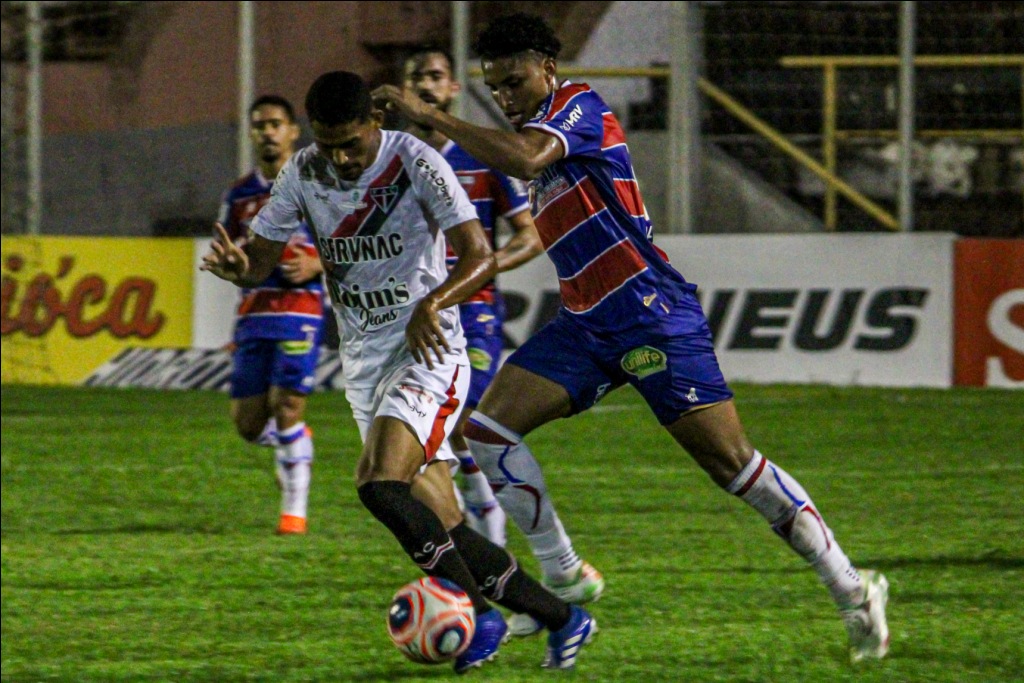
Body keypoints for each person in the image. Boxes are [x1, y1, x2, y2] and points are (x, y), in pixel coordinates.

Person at [373, 12, 891, 664]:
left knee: (731, 465)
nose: (507, 97)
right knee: (488, 431)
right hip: (586, 323)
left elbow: (528, 156)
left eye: (515, 81)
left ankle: (851, 587)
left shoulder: (577, 107)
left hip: (651, 315)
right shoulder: (530, 133)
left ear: (548, 69)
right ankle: (562, 573)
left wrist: (431, 114)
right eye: (496, 88)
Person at [202, 70, 595, 672]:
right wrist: (240, 268)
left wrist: (433, 303)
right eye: (328, 144)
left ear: (375, 124)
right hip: (364, 362)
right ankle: (565, 618)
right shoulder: (303, 172)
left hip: (430, 351)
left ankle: (476, 615)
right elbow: (261, 262)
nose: (339, 157)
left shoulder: (414, 160)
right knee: (444, 523)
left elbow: (480, 254)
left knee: (378, 483)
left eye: (351, 145)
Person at [401, 46, 605, 636]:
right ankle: (500, 584)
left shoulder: (478, 156)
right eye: (418, 78)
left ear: (451, 91)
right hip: (413, 321)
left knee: (472, 435)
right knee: (441, 452)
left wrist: (479, 272)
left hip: (474, 320)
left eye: (437, 77)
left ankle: (518, 584)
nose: (428, 87)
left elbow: (530, 235)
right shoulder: (394, 160)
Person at [217, 95, 325, 536]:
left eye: (276, 124)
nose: (268, 132)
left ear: (293, 131)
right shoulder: (239, 194)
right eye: (260, 125)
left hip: (302, 306)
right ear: (251, 133)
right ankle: (292, 443)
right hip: (255, 310)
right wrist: (230, 265)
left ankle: (293, 512)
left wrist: (317, 264)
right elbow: (230, 251)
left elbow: (348, 235)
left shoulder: (317, 181)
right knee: (247, 424)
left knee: (288, 404)